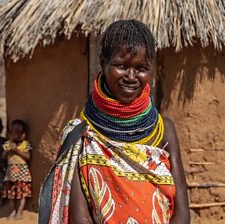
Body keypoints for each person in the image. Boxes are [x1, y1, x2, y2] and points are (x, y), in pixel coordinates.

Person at [39, 20, 190, 223]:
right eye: (121, 66)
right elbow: (80, 217)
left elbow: (182, 212)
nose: (131, 76)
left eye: (141, 68)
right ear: (103, 63)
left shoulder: (164, 130)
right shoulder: (81, 135)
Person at [2, 119, 32, 220]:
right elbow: (2, 157)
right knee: (11, 194)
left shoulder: (25, 144)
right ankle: (12, 211)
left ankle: (19, 211)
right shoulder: (8, 144)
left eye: (20, 133)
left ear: (24, 134)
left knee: (22, 195)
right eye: (14, 133)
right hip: (11, 174)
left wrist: (16, 150)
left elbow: (28, 157)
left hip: (22, 174)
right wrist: (7, 151)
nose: (17, 136)